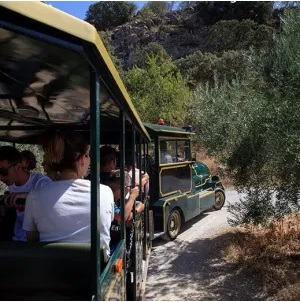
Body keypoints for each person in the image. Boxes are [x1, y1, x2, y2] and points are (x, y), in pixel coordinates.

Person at [23, 131, 114, 256]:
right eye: (87, 155)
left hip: (51, 270)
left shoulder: (35, 196)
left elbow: (31, 237)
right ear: (81, 159)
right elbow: (107, 224)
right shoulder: (104, 192)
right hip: (97, 271)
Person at [0, 146, 52, 241]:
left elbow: (52, 207)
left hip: (38, 241)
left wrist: (28, 198)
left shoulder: (41, 183)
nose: (1, 177)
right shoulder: (11, 185)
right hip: (17, 238)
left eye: (3, 172)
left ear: (18, 167)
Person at [106, 169, 143, 253]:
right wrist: (132, 197)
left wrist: (133, 213)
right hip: (110, 248)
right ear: (126, 188)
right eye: (129, 187)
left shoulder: (119, 200)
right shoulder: (107, 200)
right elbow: (121, 217)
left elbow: (141, 205)